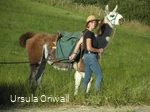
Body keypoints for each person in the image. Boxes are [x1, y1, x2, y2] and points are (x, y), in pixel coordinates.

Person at [69, 15, 103, 95]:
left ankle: (82, 95)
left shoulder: (86, 33)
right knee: (99, 76)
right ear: (88, 24)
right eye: (92, 22)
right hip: (91, 57)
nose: (94, 24)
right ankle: (96, 96)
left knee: (87, 78)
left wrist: (73, 54)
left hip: (86, 58)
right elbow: (89, 47)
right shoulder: (89, 34)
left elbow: (78, 43)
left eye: (95, 22)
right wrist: (98, 50)